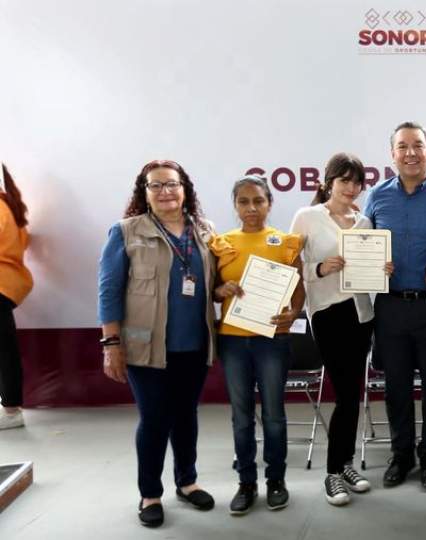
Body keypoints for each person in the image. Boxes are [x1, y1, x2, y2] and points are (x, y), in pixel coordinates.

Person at [98, 160, 217, 527]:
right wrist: (111, 343)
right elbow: (109, 290)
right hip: (144, 346)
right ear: (144, 193)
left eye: (172, 183)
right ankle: (150, 493)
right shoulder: (126, 232)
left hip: (194, 344)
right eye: (156, 186)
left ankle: (187, 481)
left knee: (186, 416)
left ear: (185, 189)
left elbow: (219, 280)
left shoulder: (206, 231)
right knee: (154, 419)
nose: (165, 191)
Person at [290, 153, 392, 506]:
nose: (351, 188)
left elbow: (369, 272)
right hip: (327, 312)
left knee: (353, 395)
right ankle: (333, 473)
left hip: (361, 313)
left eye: (356, 182)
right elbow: (292, 266)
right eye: (344, 180)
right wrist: (319, 268)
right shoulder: (307, 217)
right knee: (346, 393)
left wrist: (383, 269)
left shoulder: (364, 222)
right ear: (328, 182)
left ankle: (345, 464)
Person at [364, 121, 426, 489]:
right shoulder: (378, 195)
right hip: (390, 306)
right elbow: (362, 244)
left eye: (418, 145)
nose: (410, 153)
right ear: (392, 155)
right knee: (396, 385)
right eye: (402, 146)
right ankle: (401, 456)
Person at [209, 175, 304, 515]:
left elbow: (298, 286)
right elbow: (213, 288)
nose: (251, 208)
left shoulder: (284, 242)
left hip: (272, 340)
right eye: (244, 202)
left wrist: (293, 313)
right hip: (233, 340)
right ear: (235, 205)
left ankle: (276, 480)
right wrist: (221, 292)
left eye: (258, 201)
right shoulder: (220, 243)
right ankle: (246, 483)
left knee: (275, 415)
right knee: (241, 416)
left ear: (269, 203)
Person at [0, 164, 33, 431]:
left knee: (5, 350)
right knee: (5, 348)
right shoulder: (9, 204)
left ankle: (11, 411)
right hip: (8, 284)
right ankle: (11, 409)